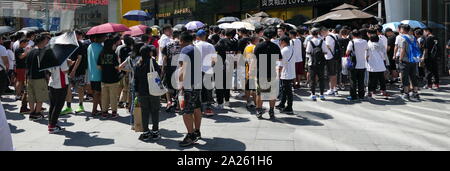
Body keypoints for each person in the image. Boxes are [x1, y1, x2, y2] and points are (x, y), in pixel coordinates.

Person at [178, 32, 203, 147]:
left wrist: (180, 84)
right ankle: (197, 131)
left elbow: (183, 68)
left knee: (186, 111)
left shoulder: (185, 50)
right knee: (197, 108)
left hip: (189, 84)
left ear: (182, 40)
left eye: (179, 41)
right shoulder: (196, 49)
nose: (179, 43)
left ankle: (190, 135)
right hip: (197, 83)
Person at [134, 45, 162, 141]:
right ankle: (155, 132)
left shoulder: (138, 64)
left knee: (144, 112)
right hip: (153, 91)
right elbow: (159, 73)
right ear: (149, 53)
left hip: (142, 91)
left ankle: (145, 132)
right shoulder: (152, 62)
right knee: (155, 111)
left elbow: (135, 80)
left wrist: (136, 91)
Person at [254, 27, 282, 119]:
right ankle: (271, 111)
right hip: (271, 71)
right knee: (272, 93)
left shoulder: (258, 46)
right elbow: (280, 59)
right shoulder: (275, 46)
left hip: (261, 70)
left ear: (264, 35)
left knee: (260, 93)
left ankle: (259, 110)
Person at [62, 30, 88, 115]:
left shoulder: (81, 45)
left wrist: (73, 70)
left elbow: (79, 58)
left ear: (79, 36)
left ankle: (81, 105)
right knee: (68, 89)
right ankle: (68, 107)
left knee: (80, 88)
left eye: (76, 35)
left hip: (79, 70)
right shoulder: (68, 44)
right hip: (68, 70)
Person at [26, 34, 51, 121]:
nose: (47, 41)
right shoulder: (40, 52)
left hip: (30, 77)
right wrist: (47, 76)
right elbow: (43, 66)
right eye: (46, 40)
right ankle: (36, 113)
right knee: (40, 97)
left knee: (31, 97)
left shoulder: (30, 51)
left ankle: (32, 113)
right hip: (39, 78)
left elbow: (27, 65)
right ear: (43, 41)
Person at [97, 38, 121, 119]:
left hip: (104, 78)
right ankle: (114, 112)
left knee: (104, 96)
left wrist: (105, 69)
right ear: (111, 45)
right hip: (113, 78)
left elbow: (98, 66)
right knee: (113, 96)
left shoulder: (101, 53)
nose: (115, 46)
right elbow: (116, 67)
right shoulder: (113, 54)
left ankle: (104, 112)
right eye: (114, 44)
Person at [214, 29, 238, 109]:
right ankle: (227, 101)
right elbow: (236, 54)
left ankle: (220, 103)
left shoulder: (221, 41)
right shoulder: (235, 42)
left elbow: (215, 51)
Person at [195, 30, 216, 116]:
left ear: (197, 37)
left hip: (197, 69)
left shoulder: (195, 46)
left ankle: (199, 107)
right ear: (205, 36)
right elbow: (214, 60)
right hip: (208, 69)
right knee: (208, 89)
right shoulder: (210, 46)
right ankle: (208, 108)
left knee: (198, 89)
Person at [398, 24, 421, 101]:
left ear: (403, 30)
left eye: (401, 29)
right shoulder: (414, 38)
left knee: (405, 77)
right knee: (413, 77)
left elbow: (402, 50)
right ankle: (415, 93)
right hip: (413, 60)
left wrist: (400, 59)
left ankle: (406, 94)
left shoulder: (402, 38)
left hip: (405, 60)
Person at [47, 60, 69, 134]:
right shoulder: (62, 59)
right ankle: (52, 126)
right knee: (58, 105)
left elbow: (49, 70)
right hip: (60, 84)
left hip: (52, 83)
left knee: (53, 105)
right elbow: (65, 71)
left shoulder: (50, 59)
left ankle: (51, 124)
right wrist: (69, 64)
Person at [161, 31, 181, 112]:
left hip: (169, 68)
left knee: (167, 85)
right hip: (179, 68)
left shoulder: (168, 45)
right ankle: (178, 105)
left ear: (172, 36)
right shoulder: (182, 45)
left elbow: (165, 58)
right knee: (178, 86)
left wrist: (162, 69)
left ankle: (169, 102)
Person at [346, 29, 368, 101]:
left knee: (353, 80)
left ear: (352, 35)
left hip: (353, 64)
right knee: (361, 81)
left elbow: (347, 52)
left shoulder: (351, 42)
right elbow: (367, 50)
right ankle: (361, 95)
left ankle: (353, 96)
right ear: (360, 35)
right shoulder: (365, 41)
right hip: (363, 64)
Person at [306, 28, 328, 101]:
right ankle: (322, 95)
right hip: (321, 63)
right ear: (318, 33)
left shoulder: (310, 42)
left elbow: (308, 52)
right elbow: (325, 52)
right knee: (321, 79)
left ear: (311, 34)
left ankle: (313, 95)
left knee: (312, 79)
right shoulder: (322, 41)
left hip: (312, 63)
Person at [276, 36, 295, 114]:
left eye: (280, 41)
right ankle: (282, 104)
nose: (279, 43)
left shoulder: (283, 50)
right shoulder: (291, 48)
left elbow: (280, 64)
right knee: (285, 90)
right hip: (290, 72)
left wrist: (278, 73)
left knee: (287, 91)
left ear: (283, 41)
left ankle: (289, 107)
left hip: (285, 73)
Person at [366, 34, 389, 99]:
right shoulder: (381, 45)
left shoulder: (369, 45)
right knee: (381, 78)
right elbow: (384, 55)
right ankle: (383, 91)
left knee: (371, 79)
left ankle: (370, 92)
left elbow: (366, 55)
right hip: (380, 64)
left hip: (372, 64)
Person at [88, 34, 105, 116]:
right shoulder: (101, 48)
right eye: (103, 36)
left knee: (96, 93)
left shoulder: (90, 46)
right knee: (97, 93)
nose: (104, 38)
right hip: (99, 74)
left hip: (92, 73)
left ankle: (101, 109)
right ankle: (94, 110)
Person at [14, 39, 30, 113]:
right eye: (26, 43)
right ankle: (17, 95)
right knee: (20, 81)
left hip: (22, 68)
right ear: (22, 43)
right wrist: (26, 51)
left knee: (20, 81)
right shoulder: (18, 49)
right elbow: (21, 57)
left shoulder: (21, 49)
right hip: (20, 68)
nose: (27, 45)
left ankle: (19, 94)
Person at [118, 36, 134, 109]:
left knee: (123, 87)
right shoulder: (131, 51)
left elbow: (120, 58)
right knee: (127, 88)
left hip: (122, 70)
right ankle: (127, 102)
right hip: (128, 70)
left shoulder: (121, 48)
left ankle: (121, 102)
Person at [243, 36, 259, 109]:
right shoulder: (255, 47)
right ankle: (256, 104)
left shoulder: (247, 47)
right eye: (257, 39)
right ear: (255, 40)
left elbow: (244, 57)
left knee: (247, 87)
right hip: (253, 69)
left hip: (247, 67)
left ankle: (248, 102)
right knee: (254, 88)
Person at [325, 27, 340, 96]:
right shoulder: (335, 35)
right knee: (334, 73)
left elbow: (327, 46)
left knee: (331, 74)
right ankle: (334, 88)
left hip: (329, 57)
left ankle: (331, 89)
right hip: (335, 56)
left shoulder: (328, 37)